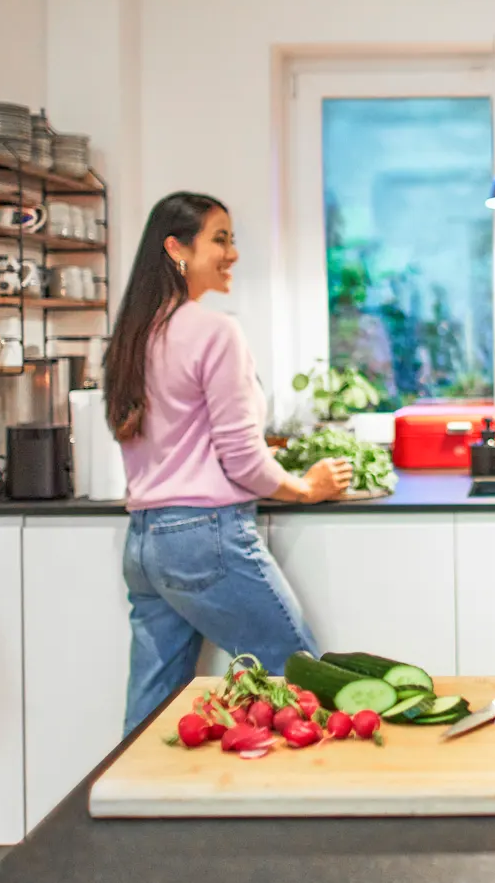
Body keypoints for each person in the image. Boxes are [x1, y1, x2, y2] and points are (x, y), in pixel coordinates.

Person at [105, 192, 353, 731]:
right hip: (204, 538)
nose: (232, 253)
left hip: (146, 545)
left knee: (151, 714)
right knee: (299, 679)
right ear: (176, 249)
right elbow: (242, 458)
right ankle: (296, 814)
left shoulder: (132, 335)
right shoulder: (215, 331)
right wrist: (306, 487)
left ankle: (130, 808)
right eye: (220, 239)